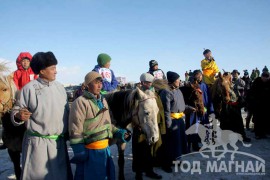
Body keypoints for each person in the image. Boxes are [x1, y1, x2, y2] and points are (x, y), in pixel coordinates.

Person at [11, 51, 72, 180]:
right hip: (37, 145)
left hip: (58, 144)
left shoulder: (60, 88)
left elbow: (66, 112)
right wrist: (18, 115)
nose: (56, 71)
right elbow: (16, 110)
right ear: (42, 71)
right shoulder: (29, 89)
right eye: (53, 68)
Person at [69, 71, 131, 180]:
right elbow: (75, 129)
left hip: (105, 151)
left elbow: (107, 123)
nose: (99, 85)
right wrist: (79, 151)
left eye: (100, 82)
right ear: (87, 85)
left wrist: (119, 132)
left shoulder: (103, 101)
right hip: (90, 151)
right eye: (96, 82)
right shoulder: (80, 102)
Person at [159, 71, 195, 173]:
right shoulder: (166, 92)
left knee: (178, 142)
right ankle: (166, 163)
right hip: (172, 121)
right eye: (177, 80)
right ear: (172, 81)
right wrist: (168, 125)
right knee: (169, 144)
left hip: (180, 121)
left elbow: (181, 106)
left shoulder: (178, 91)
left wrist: (189, 108)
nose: (179, 81)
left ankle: (176, 160)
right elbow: (166, 111)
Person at [132, 73, 162, 180]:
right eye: (148, 82)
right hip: (139, 128)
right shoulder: (135, 95)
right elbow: (132, 112)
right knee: (138, 151)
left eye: (151, 82)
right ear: (142, 82)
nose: (150, 84)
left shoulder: (153, 93)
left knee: (149, 150)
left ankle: (149, 170)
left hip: (150, 126)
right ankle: (138, 174)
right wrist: (137, 124)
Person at [183, 70, 214, 152]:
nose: (199, 77)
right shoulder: (190, 86)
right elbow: (187, 99)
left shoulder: (204, 85)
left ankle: (198, 144)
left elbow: (209, 98)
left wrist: (211, 110)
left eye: (200, 75)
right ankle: (190, 145)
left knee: (203, 127)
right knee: (192, 128)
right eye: (197, 75)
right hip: (193, 111)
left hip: (204, 110)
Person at [249, 71, 270, 139]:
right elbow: (251, 92)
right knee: (257, 120)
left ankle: (264, 133)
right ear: (261, 76)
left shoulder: (269, 83)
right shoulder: (257, 82)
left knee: (266, 119)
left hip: (266, 105)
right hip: (257, 105)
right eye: (263, 77)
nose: (265, 78)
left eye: (266, 77)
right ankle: (258, 134)